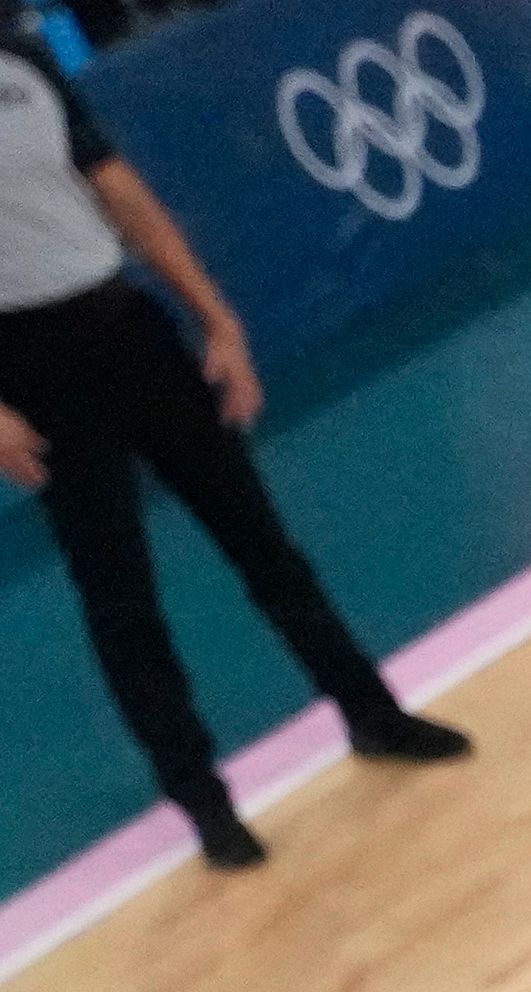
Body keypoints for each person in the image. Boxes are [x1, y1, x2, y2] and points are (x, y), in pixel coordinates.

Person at [0, 14, 471, 873]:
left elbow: (119, 191)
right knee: (122, 600)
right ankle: (205, 804)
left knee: (261, 541)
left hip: (125, 331)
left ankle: (371, 712)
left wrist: (212, 315)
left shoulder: (24, 60)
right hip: (30, 372)